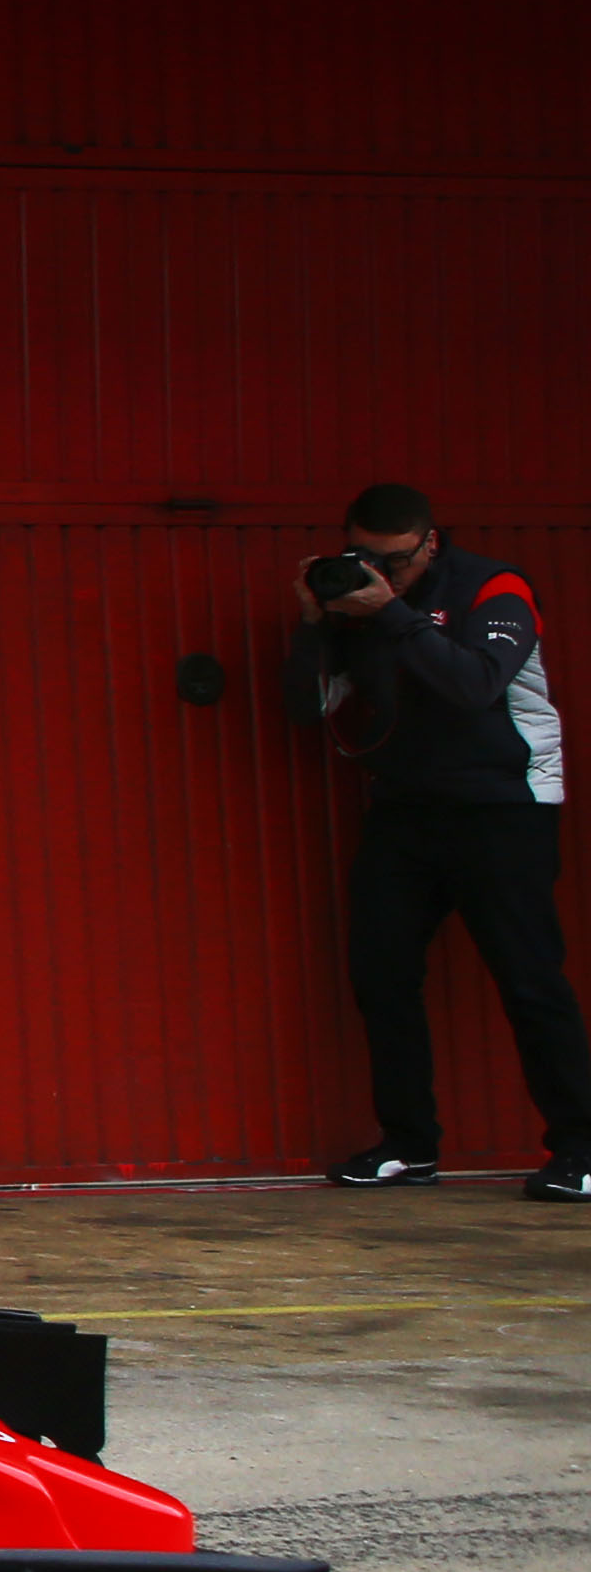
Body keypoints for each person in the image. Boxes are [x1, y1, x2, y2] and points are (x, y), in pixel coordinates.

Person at [285, 485, 587, 1200]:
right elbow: (306, 708)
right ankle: (408, 1145)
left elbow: (476, 685)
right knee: (381, 975)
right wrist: (312, 624)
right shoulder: (354, 600)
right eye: (368, 558)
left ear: (428, 543)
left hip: (504, 803)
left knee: (530, 980)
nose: (385, 573)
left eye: (398, 561)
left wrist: (389, 612)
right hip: (405, 809)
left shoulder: (493, 586)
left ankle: (579, 1147)